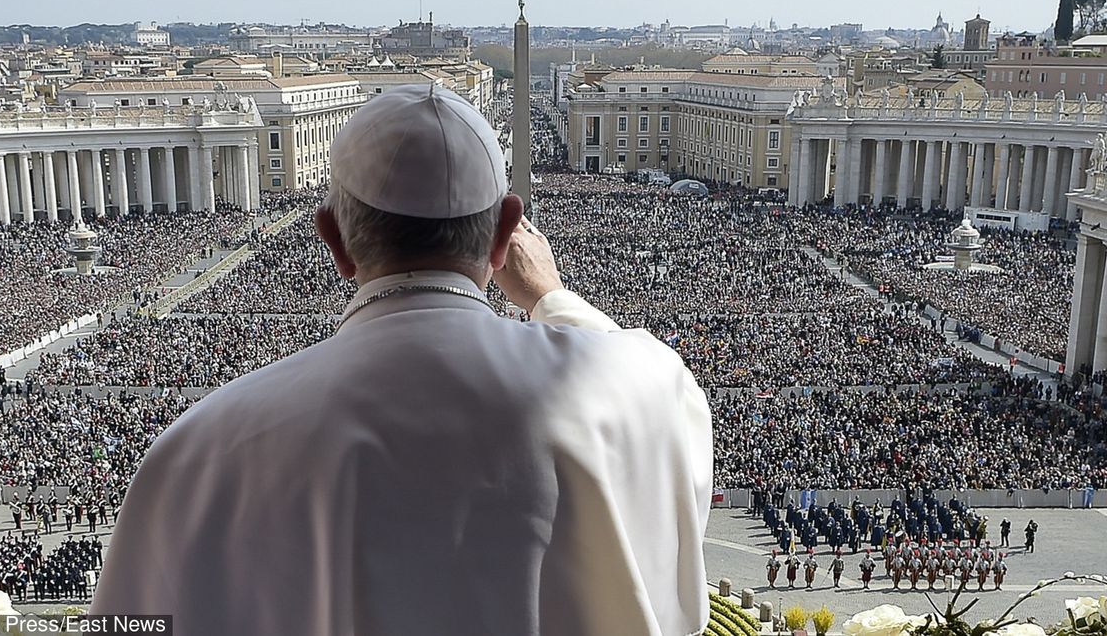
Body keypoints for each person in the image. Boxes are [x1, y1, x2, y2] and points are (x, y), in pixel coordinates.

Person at [90, 85, 715, 636]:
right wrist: (551, 298)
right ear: (505, 234)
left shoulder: (198, 451)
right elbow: (660, 398)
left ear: (333, 238)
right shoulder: (638, 388)